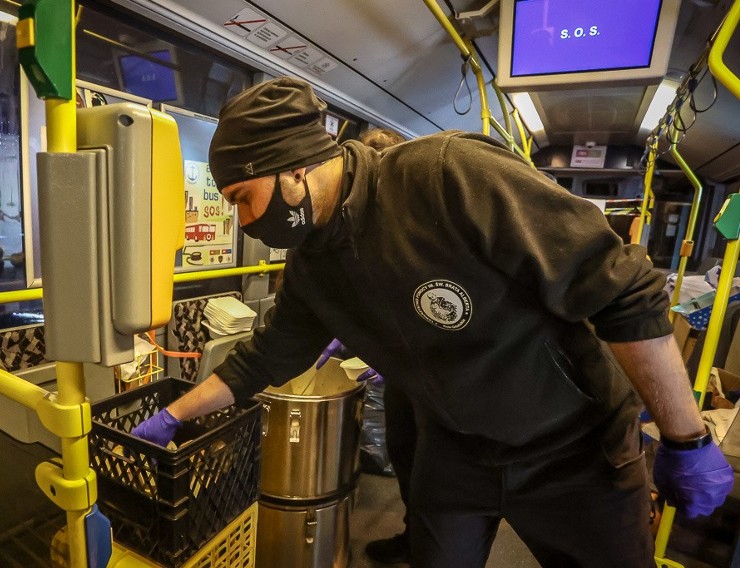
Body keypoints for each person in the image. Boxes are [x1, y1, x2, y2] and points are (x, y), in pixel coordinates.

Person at [133, 76, 734, 567]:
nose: (242, 221)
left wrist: (686, 438)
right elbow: (264, 357)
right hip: (458, 450)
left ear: (293, 170)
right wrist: (171, 417)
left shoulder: (447, 176)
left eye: (242, 196)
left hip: (571, 447)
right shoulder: (312, 263)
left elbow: (621, 288)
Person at [316, 126, 414, 565]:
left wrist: (391, 353)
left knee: (433, 464)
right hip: (401, 377)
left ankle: (425, 536)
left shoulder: (413, 229)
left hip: (431, 376)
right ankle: (414, 534)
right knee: (405, 448)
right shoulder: (345, 232)